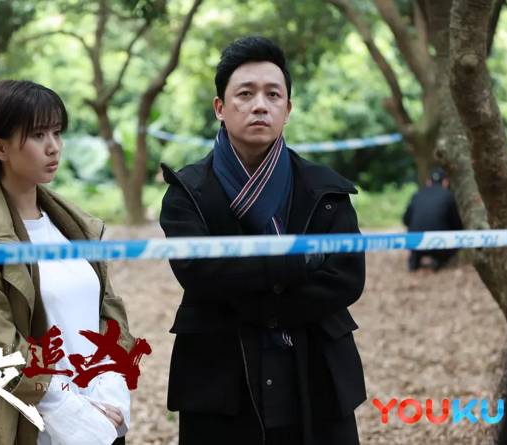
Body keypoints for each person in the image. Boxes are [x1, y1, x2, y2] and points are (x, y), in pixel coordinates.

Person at [159, 36, 366, 445]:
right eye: (245, 94)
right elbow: (200, 275)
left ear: (288, 109)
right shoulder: (188, 192)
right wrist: (300, 261)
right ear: (220, 108)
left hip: (315, 369)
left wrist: (256, 290)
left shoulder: (325, 188)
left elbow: (346, 277)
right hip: (221, 379)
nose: (260, 105)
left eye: (273, 95)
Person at [0, 80, 135, 445]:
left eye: (57, 132)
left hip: (101, 417)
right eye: (37, 135)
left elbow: (109, 313)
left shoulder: (76, 228)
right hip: (30, 427)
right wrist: (71, 410)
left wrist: (110, 391)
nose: (53, 146)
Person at [403, 167, 463, 271]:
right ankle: (440, 260)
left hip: (416, 242)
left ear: (428, 182)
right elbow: (457, 224)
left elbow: (405, 220)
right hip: (440, 243)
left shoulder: (417, 194)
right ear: (445, 182)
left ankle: (415, 258)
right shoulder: (448, 196)